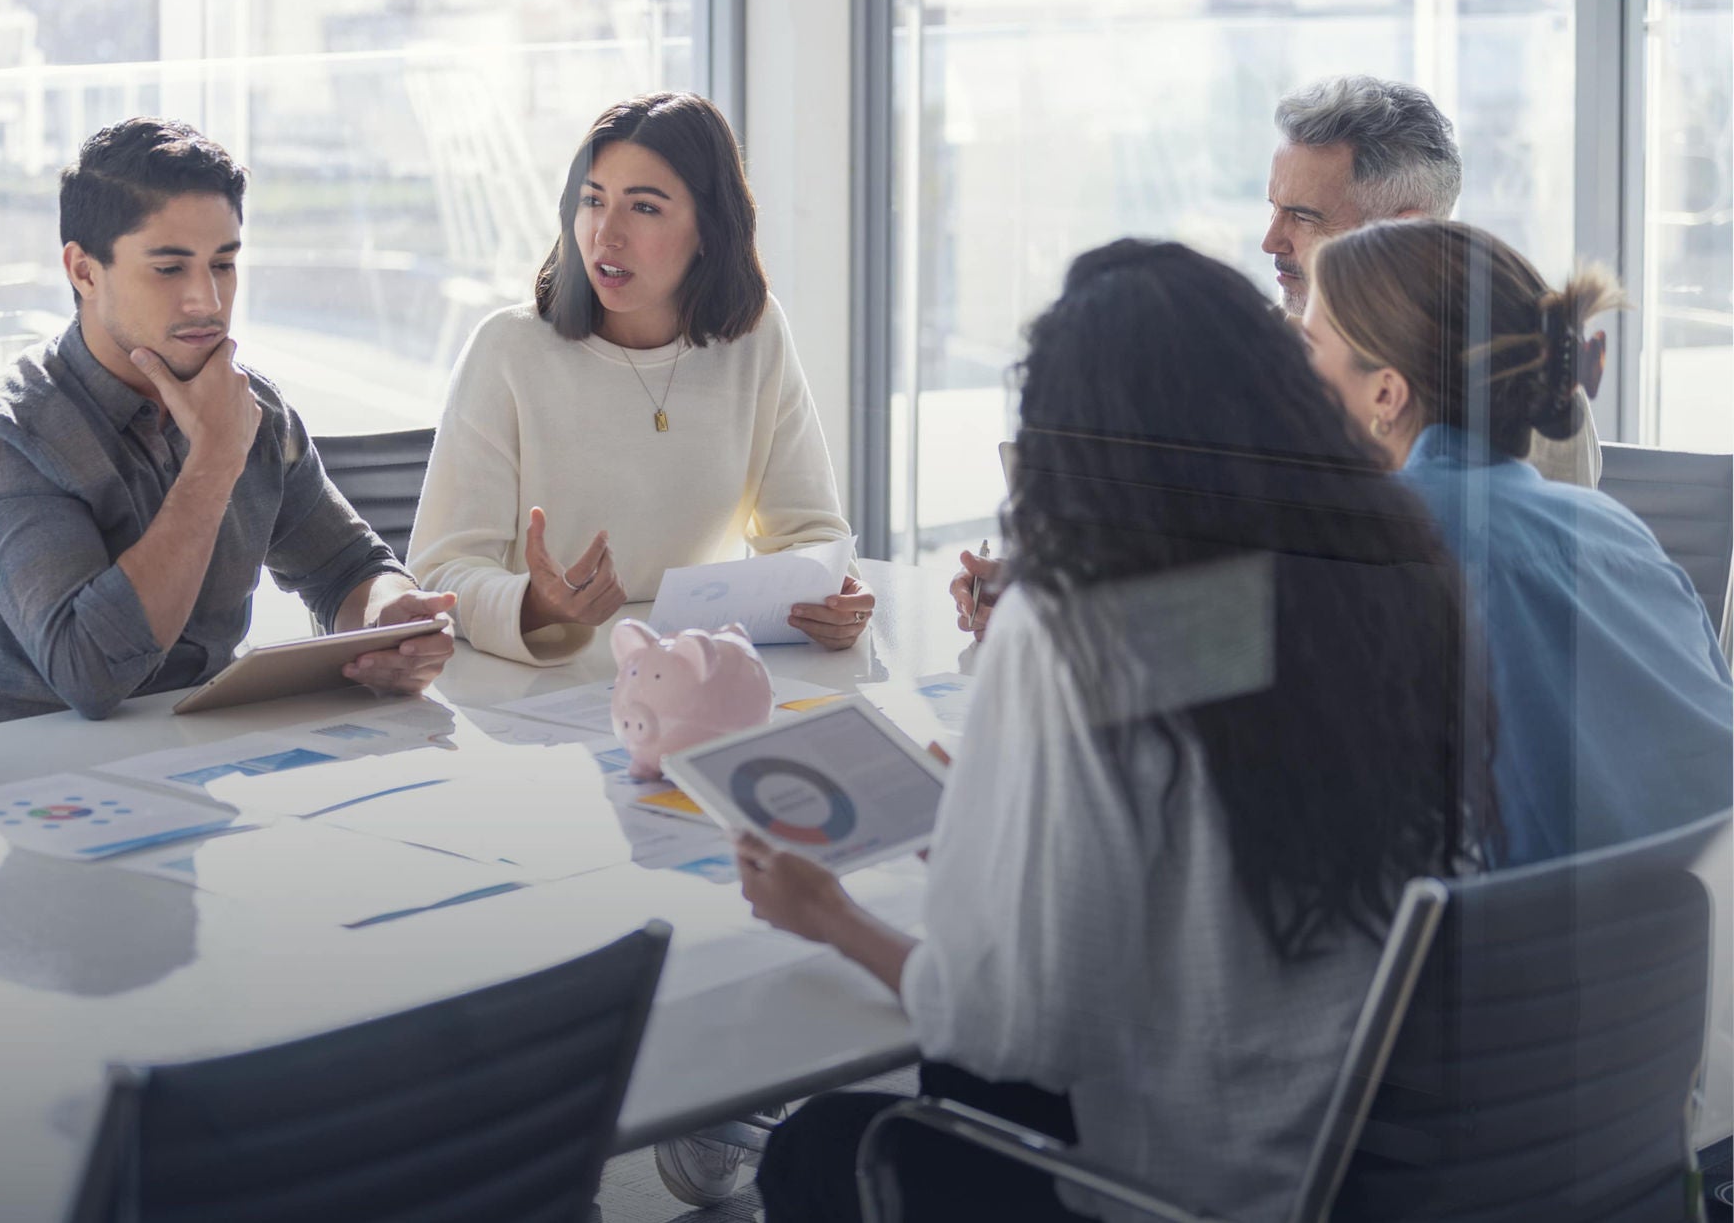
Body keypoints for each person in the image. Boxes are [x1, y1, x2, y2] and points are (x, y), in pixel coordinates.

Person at [739, 239, 1489, 1222]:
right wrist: (995, 830)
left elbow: (1009, 1030)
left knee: (815, 1145)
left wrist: (829, 917)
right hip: (1371, 1169)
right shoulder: (1384, 582)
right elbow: (1198, 829)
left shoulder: (1075, 631)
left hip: (1185, 1189)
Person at [952, 73, 1601, 638]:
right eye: (1272, 207)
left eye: (1303, 216)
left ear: (1404, 229)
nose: (1270, 240)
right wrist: (1058, 590)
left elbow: (1351, 627)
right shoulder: (1259, 351)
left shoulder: (1519, 386)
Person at [0, 118, 454, 728]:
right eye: (170, 268)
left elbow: (348, 568)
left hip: (209, 760)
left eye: (223, 264)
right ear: (84, 271)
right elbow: (91, 674)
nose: (207, 299)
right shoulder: (5, 439)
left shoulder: (252, 406)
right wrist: (212, 464)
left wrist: (391, 622)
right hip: (35, 789)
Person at [1302, 218, 1733, 866]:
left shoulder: (1379, 553)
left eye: (1308, 348)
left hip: (1531, 955)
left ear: (1384, 393)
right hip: (1700, 944)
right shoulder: (1617, 528)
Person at [407, 91, 870, 668]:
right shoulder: (507, 349)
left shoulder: (756, 336)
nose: (606, 233)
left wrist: (834, 597)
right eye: (592, 201)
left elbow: (809, 532)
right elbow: (438, 570)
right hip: (537, 685)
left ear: (708, 229)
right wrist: (534, 604)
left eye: (644, 207)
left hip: (692, 675)